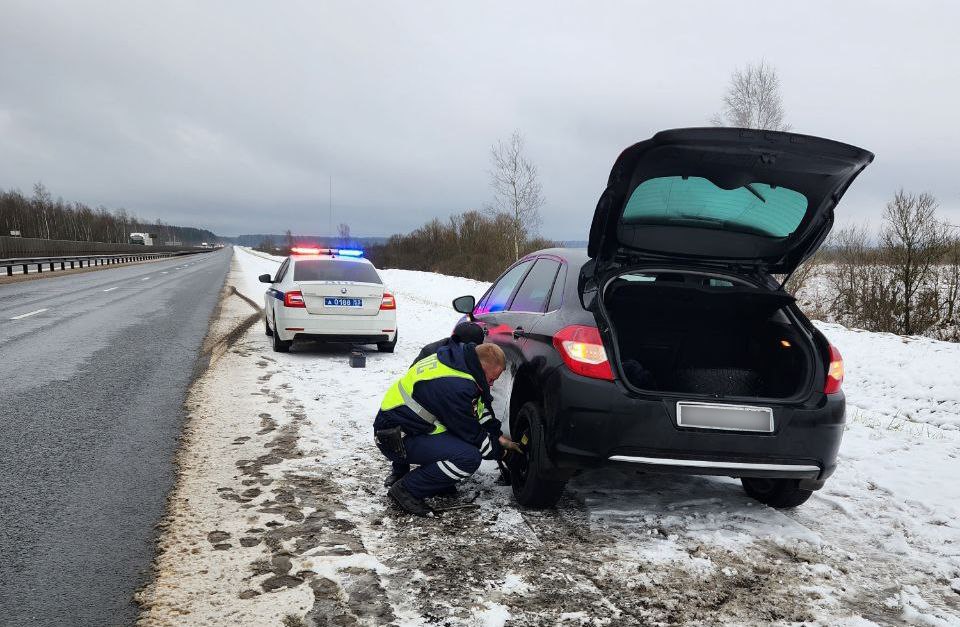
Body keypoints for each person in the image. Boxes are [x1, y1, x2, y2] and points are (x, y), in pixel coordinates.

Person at [373, 342, 520, 516]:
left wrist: (498, 436)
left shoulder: (458, 363)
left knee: (462, 446)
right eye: (491, 379)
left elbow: (479, 410)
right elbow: (474, 436)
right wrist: (505, 455)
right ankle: (407, 489)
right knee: (468, 457)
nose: (492, 385)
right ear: (481, 367)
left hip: (408, 427)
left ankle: (436, 480)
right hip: (395, 438)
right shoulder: (455, 387)